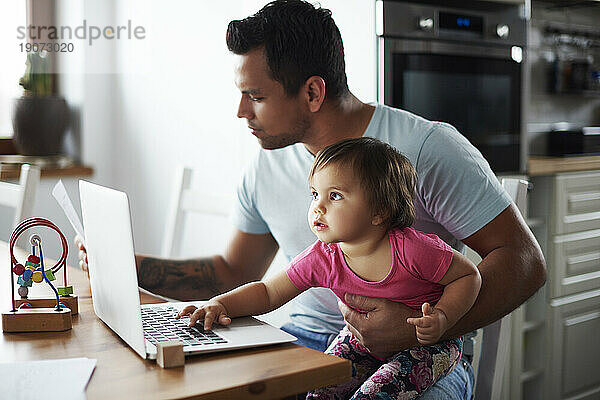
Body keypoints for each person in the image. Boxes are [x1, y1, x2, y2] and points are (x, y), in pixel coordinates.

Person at [76, 1, 546, 398]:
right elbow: (235, 272)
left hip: (423, 355)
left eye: (254, 95)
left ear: (313, 92)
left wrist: (424, 326)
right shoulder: (267, 163)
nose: (241, 111)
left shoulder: (426, 149)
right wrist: (125, 265)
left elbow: (525, 262)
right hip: (300, 341)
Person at [176, 137, 482, 399]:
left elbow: (468, 275)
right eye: (315, 194)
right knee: (318, 390)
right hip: (359, 339)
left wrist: (442, 318)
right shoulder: (324, 256)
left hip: (430, 346)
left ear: (379, 211)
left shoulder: (414, 249)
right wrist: (219, 303)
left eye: (334, 196)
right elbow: (270, 291)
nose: (318, 207)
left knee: (376, 394)